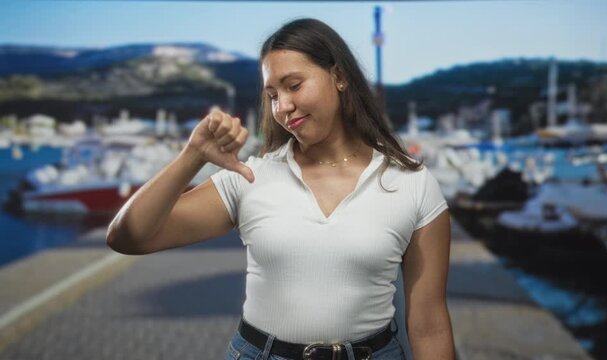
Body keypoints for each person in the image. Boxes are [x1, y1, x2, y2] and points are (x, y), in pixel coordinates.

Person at [107, 18, 454, 360]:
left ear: (339, 77)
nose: (282, 107)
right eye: (272, 95)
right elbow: (128, 237)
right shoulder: (249, 177)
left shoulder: (412, 184)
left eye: (294, 85)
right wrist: (192, 156)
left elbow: (429, 325)